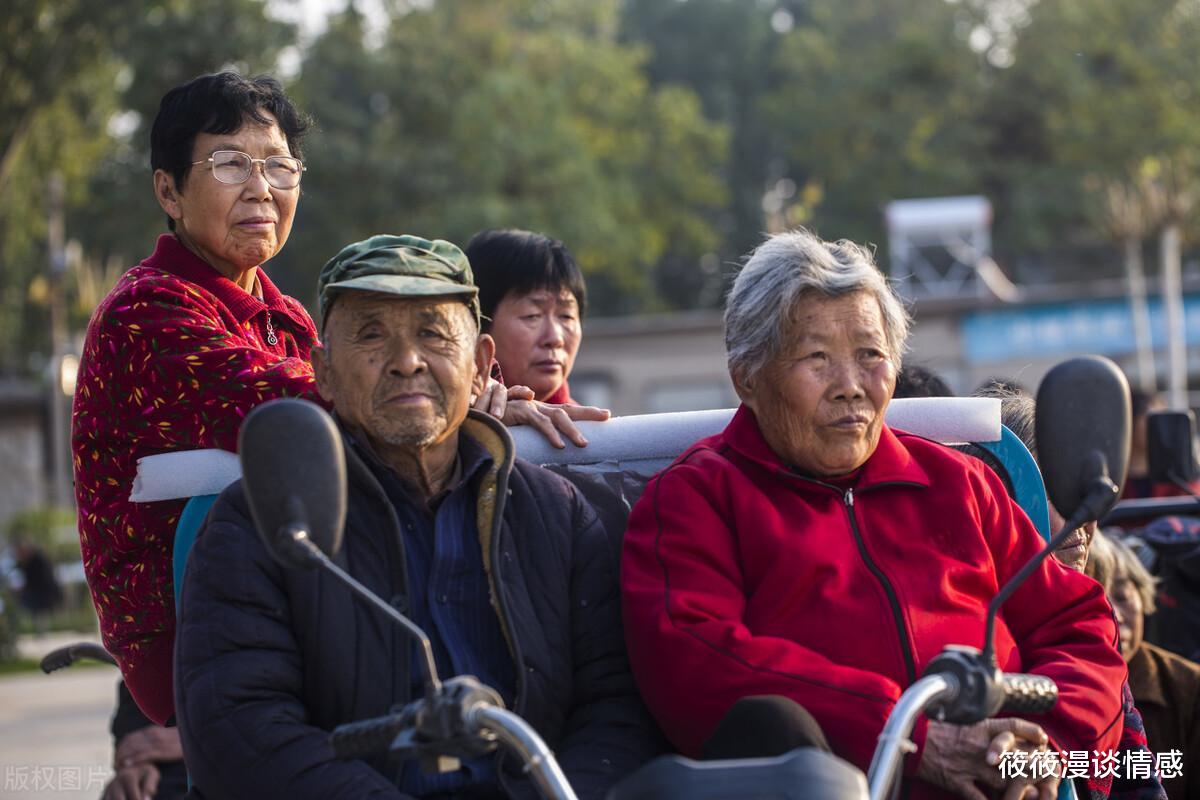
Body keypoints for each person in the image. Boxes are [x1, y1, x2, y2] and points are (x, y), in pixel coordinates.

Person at [72, 74, 599, 726]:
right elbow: (303, 403)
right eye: (231, 163)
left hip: (299, 590)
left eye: (279, 166)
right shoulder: (145, 310)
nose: (262, 188)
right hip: (198, 630)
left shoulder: (288, 316)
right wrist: (463, 405)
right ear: (169, 192)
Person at [621, 229, 1126, 800]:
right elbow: (698, 665)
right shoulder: (696, 499)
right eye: (817, 358)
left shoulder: (959, 483)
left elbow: (1078, 622)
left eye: (871, 356)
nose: (850, 388)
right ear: (747, 378)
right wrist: (909, 738)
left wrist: (1049, 748)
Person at [175, 235, 661, 799]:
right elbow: (240, 730)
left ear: (482, 366)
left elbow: (616, 710)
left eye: (432, 333)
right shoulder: (257, 523)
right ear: (324, 374)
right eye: (372, 335)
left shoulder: (557, 515)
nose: (407, 362)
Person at [1089, 531, 1200, 800]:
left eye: (1123, 596)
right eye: (1095, 596)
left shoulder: (1189, 686)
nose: (1113, 614)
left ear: (1144, 597)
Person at [466, 229, 586, 405]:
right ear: (477, 325)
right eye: (532, 316)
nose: (555, 338)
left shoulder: (587, 428)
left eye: (566, 316)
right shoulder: (449, 425)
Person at [12, 538, 62, 636]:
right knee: (35, 610)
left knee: (40, 611)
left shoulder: (38, 560)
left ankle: (42, 632)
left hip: (43, 591)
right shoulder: (26, 561)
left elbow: (42, 579)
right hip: (36, 592)